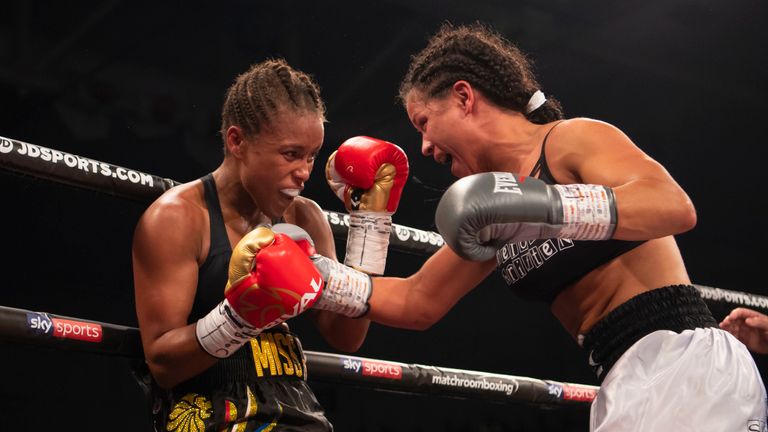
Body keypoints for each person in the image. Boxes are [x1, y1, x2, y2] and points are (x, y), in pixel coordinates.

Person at [305, 23, 767, 431]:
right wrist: (315, 275)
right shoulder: (490, 209)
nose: (424, 146)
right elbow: (416, 301)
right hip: (621, 378)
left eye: (425, 122)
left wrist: (549, 203)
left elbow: (674, 206)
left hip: (683, 362)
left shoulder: (570, 140)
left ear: (465, 98)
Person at [132, 59, 407, 431]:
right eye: (290, 154)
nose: (305, 172)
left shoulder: (305, 217)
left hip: (297, 408)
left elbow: (347, 335)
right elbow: (162, 365)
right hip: (210, 415)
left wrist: (369, 226)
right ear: (237, 141)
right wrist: (240, 316)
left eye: (311, 156)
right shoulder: (177, 219)